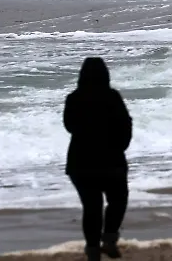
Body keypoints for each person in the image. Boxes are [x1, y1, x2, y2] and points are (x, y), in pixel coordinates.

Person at [64, 57, 133, 261]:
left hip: (80, 162)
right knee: (118, 200)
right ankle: (110, 238)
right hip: (112, 159)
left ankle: (93, 249)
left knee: (91, 207)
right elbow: (126, 124)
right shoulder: (112, 97)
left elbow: (69, 126)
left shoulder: (73, 98)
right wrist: (121, 146)